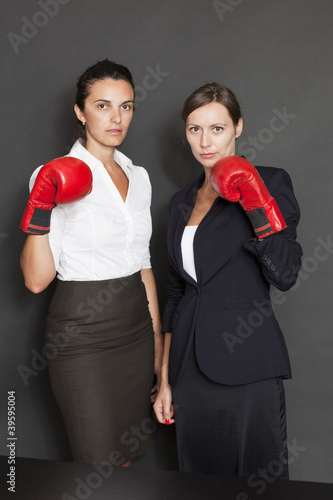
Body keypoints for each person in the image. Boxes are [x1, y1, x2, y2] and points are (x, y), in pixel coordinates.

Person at [154, 82, 303, 478]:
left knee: (260, 483)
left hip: (248, 363)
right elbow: (176, 293)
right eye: (194, 129)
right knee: (198, 483)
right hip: (188, 368)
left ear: (238, 127)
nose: (205, 141)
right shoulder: (181, 201)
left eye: (217, 128)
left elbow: (286, 274)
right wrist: (165, 379)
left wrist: (257, 204)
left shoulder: (270, 181)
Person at [20, 59, 163, 466]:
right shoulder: (53, 175)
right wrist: (39, 208)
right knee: (99, 466)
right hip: (81, 337)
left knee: (128, 458)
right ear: (80, 112)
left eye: (126, 106)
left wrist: (155, 342)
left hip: (136, 328)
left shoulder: (140, 178)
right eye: (103, 106)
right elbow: (35, 281)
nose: (116, 118)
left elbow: (143, 264)